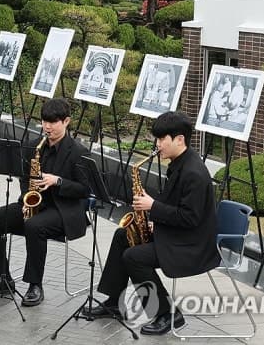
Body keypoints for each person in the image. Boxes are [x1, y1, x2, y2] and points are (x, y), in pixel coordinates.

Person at [89, 111, 219, 335]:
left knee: (134, 257)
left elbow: (190, 218)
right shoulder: (180, 163)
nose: (157, 145)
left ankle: (167, 313)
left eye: (161, 140)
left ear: (179, 139)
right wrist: (154, 223)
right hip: (179, 235)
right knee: (123, 236)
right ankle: (113, 301)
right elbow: (179, 210)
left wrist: (153, 207)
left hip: (191, 246)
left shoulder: (194, 173)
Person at [0, 98, 90, 307]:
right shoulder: (34, 146)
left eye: (53, 122)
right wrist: (27, 197)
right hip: (35, 205)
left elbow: (85, 190)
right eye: (44, 121)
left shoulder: (78, 152)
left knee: (34, 226)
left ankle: (34, 285)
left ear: (66, 122)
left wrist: (58, 181)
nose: (47, 127)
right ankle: (3, 278)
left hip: (63, 210)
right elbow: (23, 177)